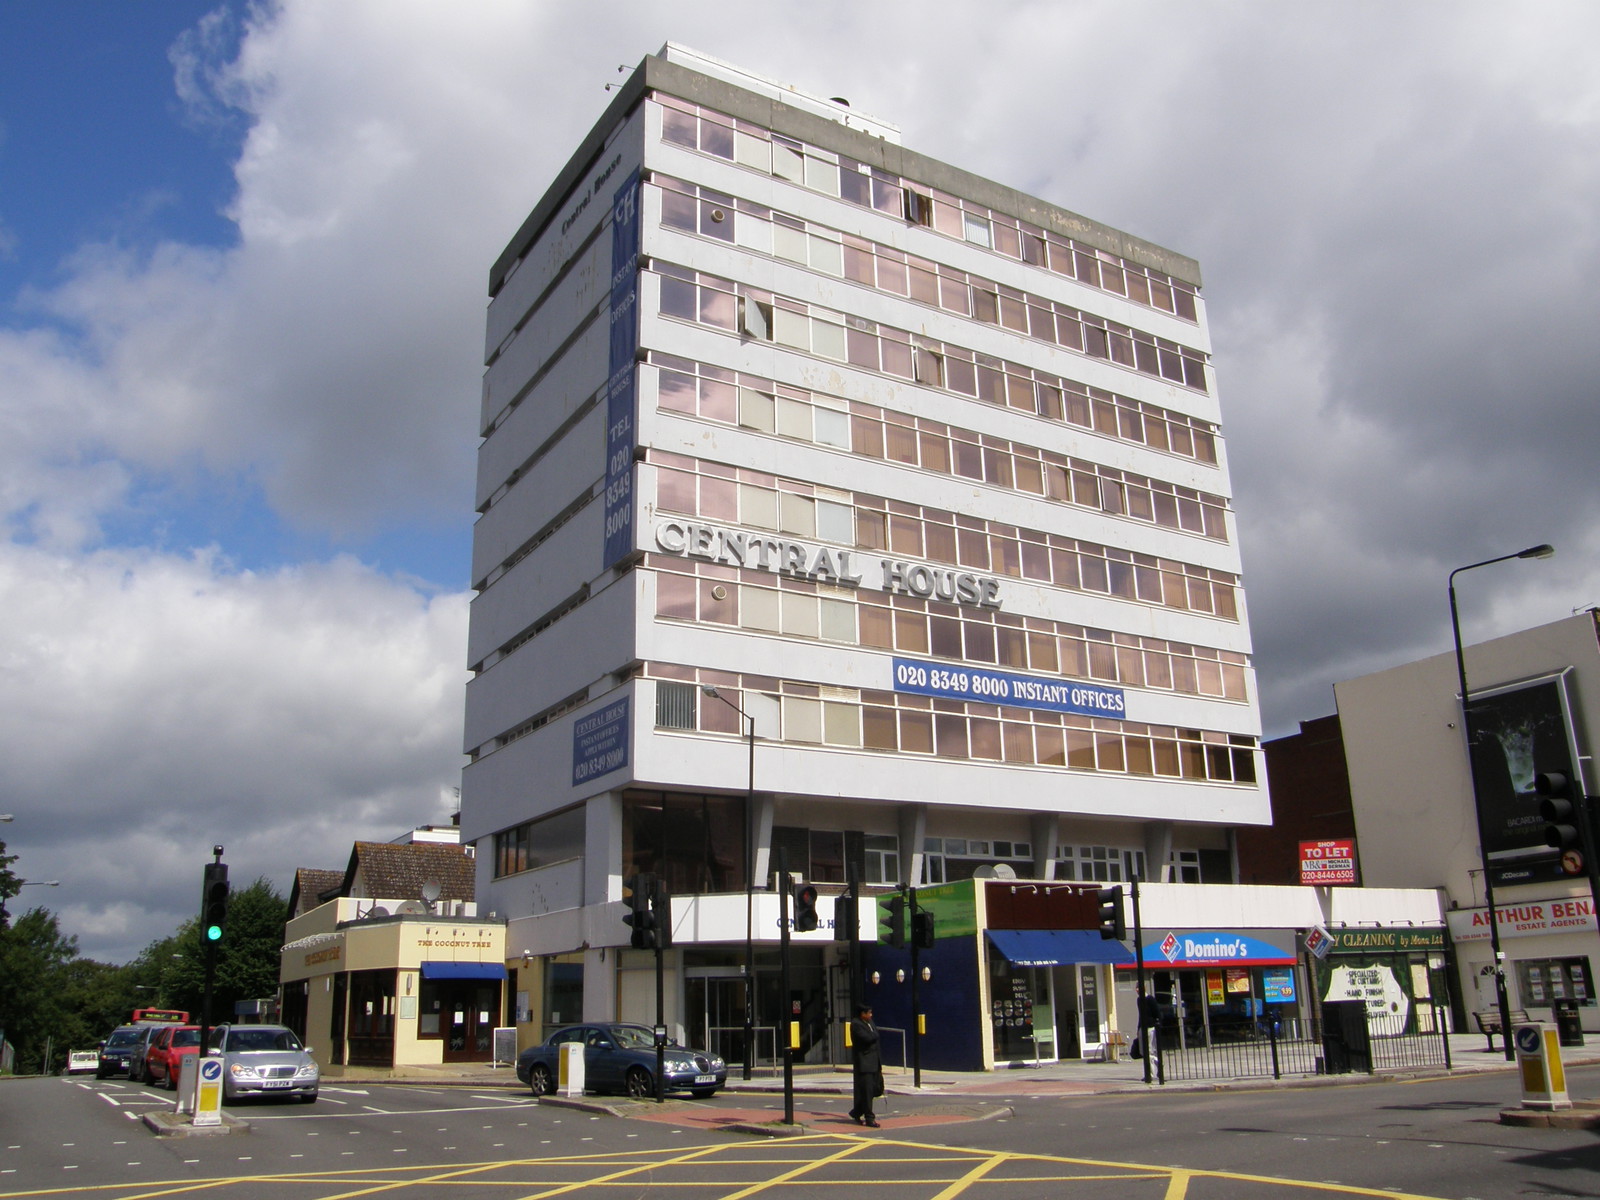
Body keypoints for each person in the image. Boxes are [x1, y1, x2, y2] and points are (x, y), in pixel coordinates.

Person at [848, 1003, 882, 1127]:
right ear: (862, 1014)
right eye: (869, 1013)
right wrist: (874, 1035)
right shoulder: (856, 1024)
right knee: (867, 1092)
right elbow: (867, 1038)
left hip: (874, 1062)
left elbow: (874, 1036)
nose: (871, 1015)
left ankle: (856, 1112)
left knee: (876, 1090)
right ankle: (869, 1118)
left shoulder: (870, 1023)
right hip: (865, 1063)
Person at [1136, 988, 1164, 1084]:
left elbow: (1157, 1013)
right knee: (1143, 1051)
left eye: (1139, 987)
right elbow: (1141, 1015)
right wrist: (1138, 1028)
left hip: (1150, 1027)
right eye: (1136, 987)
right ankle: (1159, 1064)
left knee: (1149, 1051)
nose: (1137, 989)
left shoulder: (1150, 999)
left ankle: (1150, 1074)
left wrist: (1157, 1024)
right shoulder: (1139, 1000)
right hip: (1142, 1028)